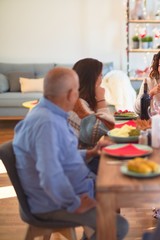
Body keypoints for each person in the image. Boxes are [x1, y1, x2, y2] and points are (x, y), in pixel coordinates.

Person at [13, 67, 128, 240]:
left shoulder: (50, 113)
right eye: (76, 91)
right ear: (69, 94)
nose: (77, 96)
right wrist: (74, 203)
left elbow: (61, 156)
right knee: (119, 225)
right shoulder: (47, 124)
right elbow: (50, 175)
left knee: (113, 184)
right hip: (55, 203)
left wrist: (89, 153)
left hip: (72, 188)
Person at [68, 58, 115, 173]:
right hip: (80, 162)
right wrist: (101, 99)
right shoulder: (78, 104)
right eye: (100, 75)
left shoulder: (79, 99)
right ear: (92, 79)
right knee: (115, 166)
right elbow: (105, 127)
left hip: (83, 156)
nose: (102, 79)